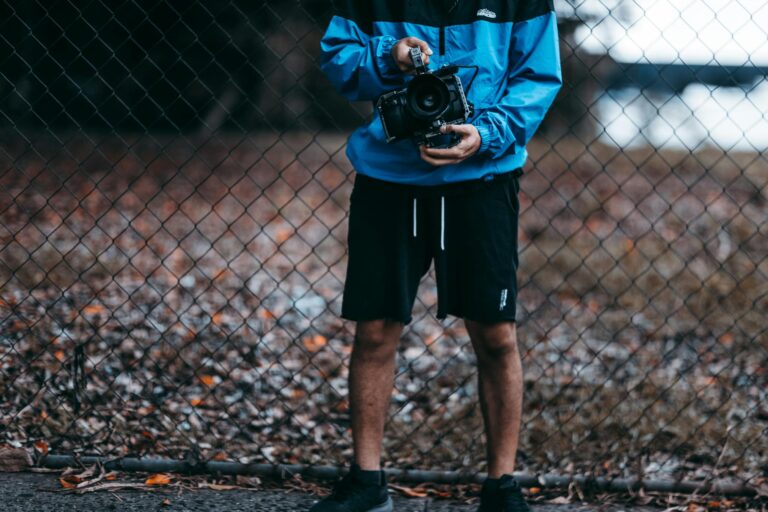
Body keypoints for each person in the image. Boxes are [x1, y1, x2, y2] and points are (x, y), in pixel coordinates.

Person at [311, 1, 562, 510]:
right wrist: (391, 55)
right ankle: (366, 481)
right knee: (375, 328)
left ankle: (501, 486)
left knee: (496, 335)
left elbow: (537, 76)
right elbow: (338, 59)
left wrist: (487, 133)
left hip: (483, 178)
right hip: (389, 178)